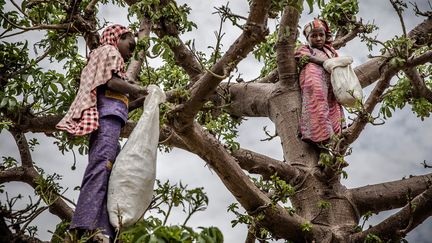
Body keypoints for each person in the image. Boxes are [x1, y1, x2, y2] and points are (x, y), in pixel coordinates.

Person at [56, 24, 146, 241]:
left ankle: (103, 232)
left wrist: (139, 102)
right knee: (101, 167)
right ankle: (81, 226)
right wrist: (139, 90)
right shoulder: (109, 51)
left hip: (111, 121)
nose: (131, 52)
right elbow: (111, 82)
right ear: (119, 37)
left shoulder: (109, 59)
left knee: (111, 175)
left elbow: (113, 96)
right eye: (130, 45)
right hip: (107, 122)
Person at [295, 19, 345, 143]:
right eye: (313, 36)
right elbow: (303, 56)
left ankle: (333, 147)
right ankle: (321, 141)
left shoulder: (330, 51)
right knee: (318, 108)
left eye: (321, 35)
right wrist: (327, 63)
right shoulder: (304, 48)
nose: (318, 38)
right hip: (315, 84)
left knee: (333, 110)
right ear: (307, 38)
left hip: (331, 86)